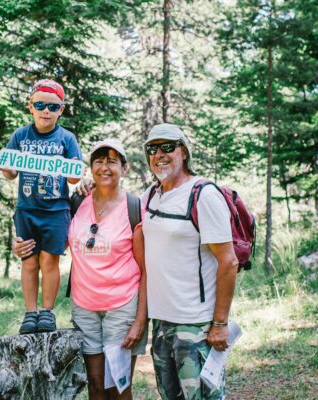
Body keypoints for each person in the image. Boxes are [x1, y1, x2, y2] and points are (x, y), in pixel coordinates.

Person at [14, 139, 148, 400]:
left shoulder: (135, 207)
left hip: (122, 306)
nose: (104, 167)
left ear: (125, 168)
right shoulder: (76, 203)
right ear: (90, 167)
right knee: (95, 385)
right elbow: (50, 242)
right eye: (98, 160)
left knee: (118, 386)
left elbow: (146, 270)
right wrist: (21, 244)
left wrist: (140, 320)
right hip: (85, 307)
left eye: (112, 161)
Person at [141, 123, 238, 400]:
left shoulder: (203, 194)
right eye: (152, 149)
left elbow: (228, 262)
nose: (160, 154)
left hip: (196, 326)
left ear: (183, 151)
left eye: (168, 147)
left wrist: (220, 324)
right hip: (161, 324)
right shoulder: (151, 195)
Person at [0, 79, 82, 334]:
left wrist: (75, 170)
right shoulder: (20, 135)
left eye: (52, 107)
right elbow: (11, 174)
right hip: (27, 209)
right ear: (30, 107)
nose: (46, 111)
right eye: (40, 105)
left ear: (61, 110)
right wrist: (3, 165)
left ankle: (47, 311)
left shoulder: (67, 138)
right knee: (29, 260)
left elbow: (74, 178)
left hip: (56, 210)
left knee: (49, 260)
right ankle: (30, 312)